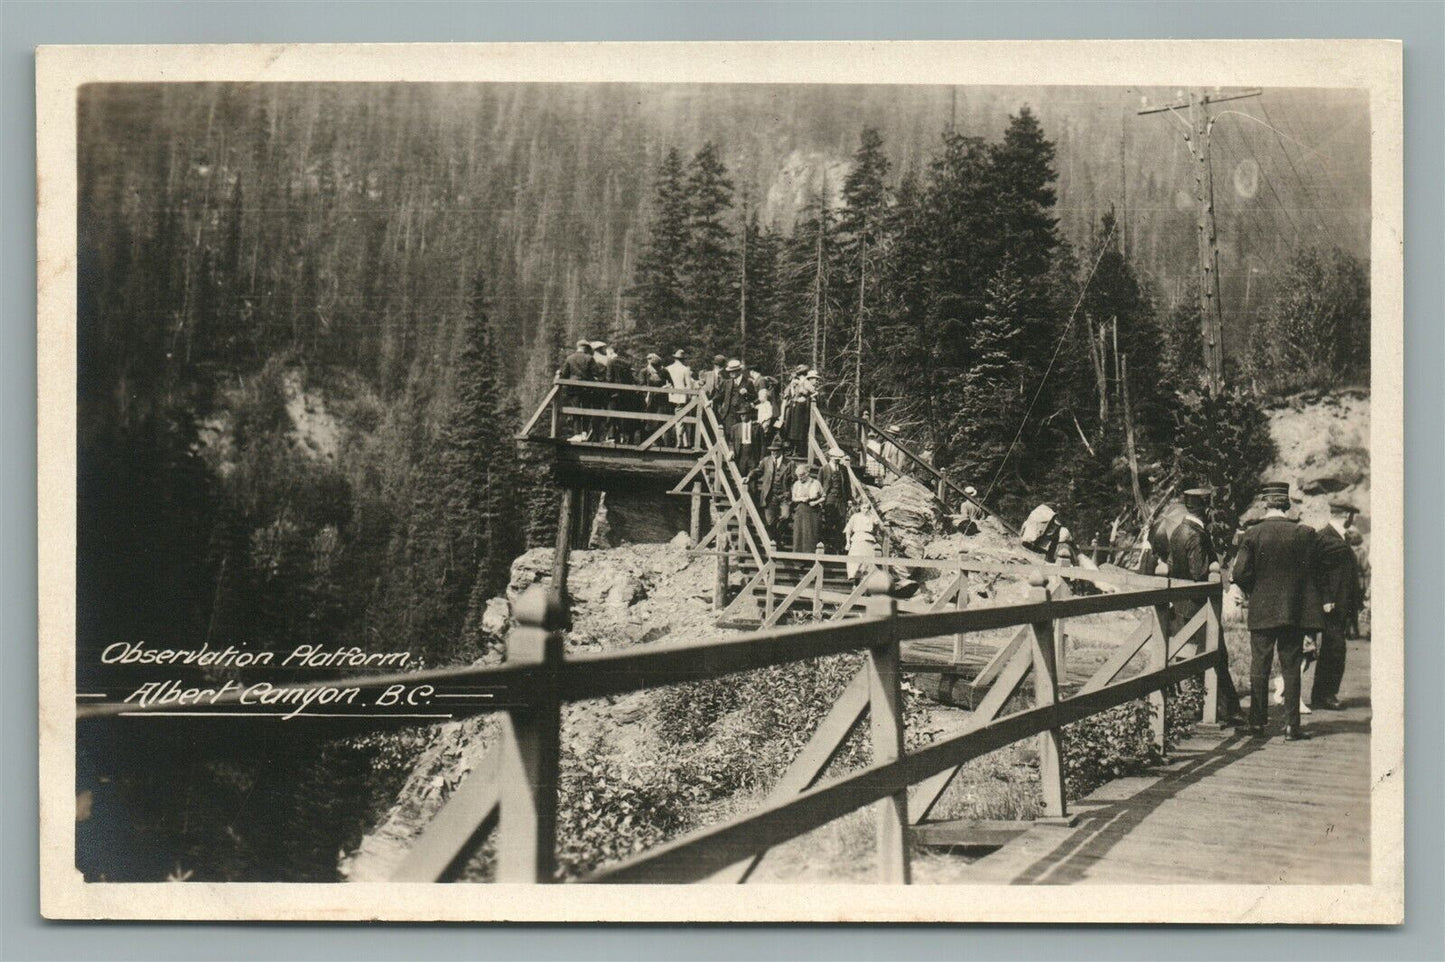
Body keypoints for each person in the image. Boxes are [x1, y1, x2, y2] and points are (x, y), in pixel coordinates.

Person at [1231, 481, 1324, 740]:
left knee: (1259, 666)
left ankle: (1257, 724)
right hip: (1293, 612)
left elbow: (1239, 573)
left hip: (1261, 610)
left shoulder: (1253, 533)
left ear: (1265, 504)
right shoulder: (1305, 534)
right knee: (1291, 667)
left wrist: (1255, 590)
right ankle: (1292, 726)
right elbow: (1313, 573)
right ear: (1287, 505)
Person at [1168, 487, 1245, 725]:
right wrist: (1216, 566)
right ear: (1205, 509)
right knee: (1215, 656)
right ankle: (1225, 710)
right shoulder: (1196, 535)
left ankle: (1208, 706)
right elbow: (1199, 572)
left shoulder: (1178, 531)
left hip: (1183, 606)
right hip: (1199, 607)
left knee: (1198, 659)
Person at [1309, 499, 1363, 710]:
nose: (1352, 520)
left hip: (1341, 604)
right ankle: (1326, 694)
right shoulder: (1326, 537)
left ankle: (1323, 694)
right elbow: (1318, 572)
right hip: (1332, 605)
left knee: (1334, 649)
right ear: (1347, 516)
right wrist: (1326, 598)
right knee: (1334, 649)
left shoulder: (1336, 536)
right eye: (1352, 516)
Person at [716, 359, 756, 471]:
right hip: (728, 414)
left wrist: (746, 394)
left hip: (741, 414)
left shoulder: (748, 383)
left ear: (739, 371)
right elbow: (720, 395)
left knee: (739, 437)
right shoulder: (727, 382)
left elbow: (754, 397)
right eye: (730, 371)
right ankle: (728, 460)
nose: (731, 373)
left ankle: (738, 462)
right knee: (729, 435)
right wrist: (711, 401)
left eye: (734, 371)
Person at [748, 435, 788, 541]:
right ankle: (773, 542)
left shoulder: (789, 463)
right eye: (772, 451)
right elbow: (757, 471)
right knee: (769, 521)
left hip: (784, 496)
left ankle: (778, 536)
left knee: (785, 516)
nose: (773, 453)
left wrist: (790, 492)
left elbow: (794, 479)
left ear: (781, 451)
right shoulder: (766, 461)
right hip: (769, 495)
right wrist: (748, 477)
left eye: (776, 451)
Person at [557, 339, 595, 440]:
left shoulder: (570, 358)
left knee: (576, 410)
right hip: (586, 388)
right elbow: (595, 373)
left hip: (573, 388)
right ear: (586, 348)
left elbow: (565, 374)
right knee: (586, 410)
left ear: (578, 347)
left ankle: (577, 433)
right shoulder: (589, 358)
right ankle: (584, 432)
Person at [820, 446, 850, 552]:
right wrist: (821, 499)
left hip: (841, 500)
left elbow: (847, 485)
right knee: (829, 522)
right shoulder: (824, 469)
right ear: (830, 457)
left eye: (839, 458)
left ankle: (839, 547)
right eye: (835, 458)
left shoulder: (843, 469)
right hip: (829, 499)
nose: (837, 460)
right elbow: (820, 485)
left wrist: (849, 499)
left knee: (841, 523)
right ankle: (828, 546)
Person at [790, 464, 825, 552]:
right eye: (798, 476)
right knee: (799, 534)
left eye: (801, 476)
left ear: (807, 474)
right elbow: (793, 498)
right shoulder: (796, 484)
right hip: (800, 511)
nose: (799, 478)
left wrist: (815, 502)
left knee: (810, 534)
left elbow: (824, 497)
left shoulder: (816, 483)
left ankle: (810, 557)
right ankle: (798, 559)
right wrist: (801, 499)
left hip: (812, 512)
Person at [664, 348, 694, 447]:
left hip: (670, 396)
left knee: (669, 419)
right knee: (680, 421)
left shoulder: (668, 368)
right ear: (683, 359)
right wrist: (689, 398)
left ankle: (667, 442)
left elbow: (667, 383)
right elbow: (689, 386)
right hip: (681, 397)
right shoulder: (685, 369)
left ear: (675, 358)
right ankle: (679, 442)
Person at [844, 500, 880, 581]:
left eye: (867, 508)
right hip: (858, 539)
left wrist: (876, 525)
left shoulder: (871, 517)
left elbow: (876, 531)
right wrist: (848, 543)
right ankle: (854, 579)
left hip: (868, 539)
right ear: (860, 508)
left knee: (868, 562)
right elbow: (848, 530)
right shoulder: (855, 516)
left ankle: (867, 581)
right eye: (864, 508)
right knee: (854, 559)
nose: (866, 510)